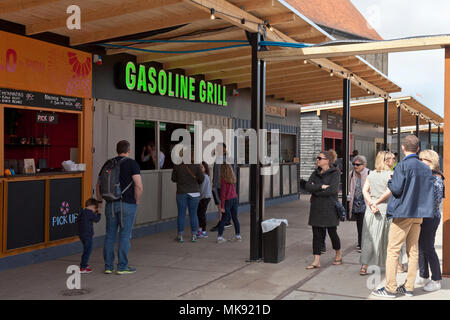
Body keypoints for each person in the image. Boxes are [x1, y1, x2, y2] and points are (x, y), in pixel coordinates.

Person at [372, 135, 434, 298]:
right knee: (413, 251)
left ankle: (390, 288)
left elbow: (397, 189)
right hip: (418, 213)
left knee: (393, 250)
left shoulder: (402, 166)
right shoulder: (425, 168)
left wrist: (391, 181)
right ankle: (409, 287)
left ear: (403, 148)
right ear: (418, 149)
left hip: (403, 213)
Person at [97, 140, 143, 275]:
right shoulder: (132, 163)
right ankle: (122, 266)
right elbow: (139, 186)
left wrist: (100, 202)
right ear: (128, 150)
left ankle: (108, 266)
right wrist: (137, 201)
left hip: (110, 204)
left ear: (116, 150)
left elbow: (98, 185)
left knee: (110, 235)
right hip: (127, 204)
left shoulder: (108, 163)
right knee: (124, 235)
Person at [305, 151, 342, 269]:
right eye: (317, 158)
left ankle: (338, 254)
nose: (318, 160)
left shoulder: (335, 173)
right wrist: (321, 187)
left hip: (330, 208)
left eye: (320, 158)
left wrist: (316, 192)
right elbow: (307, 187)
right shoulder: (315, 173)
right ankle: (316, 260)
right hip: (316, 207)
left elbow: (332, 190)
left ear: (327, 160)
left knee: (332, 232)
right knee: (316, 234)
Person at [359, 151, 394, 275]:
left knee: (369, 237)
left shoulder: (371, 174)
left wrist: (371, 203)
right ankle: (394, 265)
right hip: (383, 209)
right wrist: (377, 203)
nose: (394, 160)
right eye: (392, 159)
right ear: (386, 161)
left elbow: (365, 190)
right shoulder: (391, 174)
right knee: (386, 238)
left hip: (370, 210)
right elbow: (389, 191)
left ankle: (364, 266)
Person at [416, 149, 444, 292]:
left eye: (423, 160)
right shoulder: (427, 176)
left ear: (430, 162)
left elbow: (435, 200)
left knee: (428, 247)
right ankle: (423, 274)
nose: (420, 162)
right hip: (423, 216)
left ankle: (436, 279)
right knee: (421, 247)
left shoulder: (437, 179)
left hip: (430, 217)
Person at [172, 155, 205, 243]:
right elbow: (202, 179)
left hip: (181, 192)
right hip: (194, 193)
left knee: (181, 215)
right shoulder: (196, 165)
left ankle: (180, 236)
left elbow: (173, 179)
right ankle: (194, 236)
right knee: (193, 214)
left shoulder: (177, 165)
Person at [349, 155, 370, 252]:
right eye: (354, 164)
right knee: (359, 224)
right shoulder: (351, 174)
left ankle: (363, 244)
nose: (355, 166)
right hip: (355, 203)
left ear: (364, 165)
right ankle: (360, 242)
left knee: (363, 224)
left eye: (358, 164)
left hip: (365, 203)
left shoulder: (369, 173)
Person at [210, 143, 232, 232]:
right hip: (222, 185)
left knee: (220, 205)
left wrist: (215, 185)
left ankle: (221, 222)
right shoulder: (225, 158)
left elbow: (219, 174)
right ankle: (227, 221)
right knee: (223, 204)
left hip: (219, 185)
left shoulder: (221, 159)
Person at [217, 163, 241, 243]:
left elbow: (223, 195)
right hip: (234, 199)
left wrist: (222, 206)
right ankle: (238, 236)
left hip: (227, 201)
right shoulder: (232, 179)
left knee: (223, 219)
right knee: (235, 218)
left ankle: (220, 237)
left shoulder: (223, 181)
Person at [77, 198, 101, 273]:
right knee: (88, 250)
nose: (95, 210)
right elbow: (96, 219)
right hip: (88, 235)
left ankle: (84, 264)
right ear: (92, 206)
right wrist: (99, 213)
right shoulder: (89, 213)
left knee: (86, 249)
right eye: (95, 209)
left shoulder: (82, 211)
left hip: (81, 234)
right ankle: (83, 267)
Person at [196, 161, 212, 239]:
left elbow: (202, 189)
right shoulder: (203, 176)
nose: (200, 168)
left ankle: (204, 231)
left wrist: (199, 198)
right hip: (203, 197)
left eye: (201, 167)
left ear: (205, 169)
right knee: (199, 213)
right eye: (199, 167)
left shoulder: (204, 177)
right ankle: (200, 229)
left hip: (205, 197)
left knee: (201, 214)